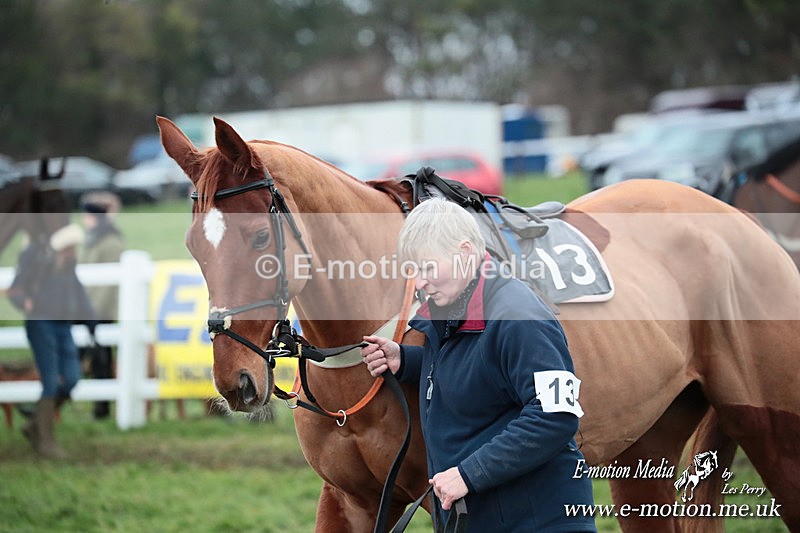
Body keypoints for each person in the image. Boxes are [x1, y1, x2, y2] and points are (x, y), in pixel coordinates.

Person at [361, 198, 596, 532]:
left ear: (466, 252)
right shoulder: (452, 305)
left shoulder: (520, 318)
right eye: (414, 272)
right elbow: (481, 371)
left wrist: (469, 474)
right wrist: (409, 361)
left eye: (428, 268)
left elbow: (557, 416)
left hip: (538, 520)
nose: (421, 283)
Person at [8, 223, 96, 458]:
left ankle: (35, 423)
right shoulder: (38, 262)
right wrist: (25, 302)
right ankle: (46, 441)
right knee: (50, 379)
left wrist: (90, 321)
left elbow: (78, 294)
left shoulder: (68, 267)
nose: (72, 251)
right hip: (41, 323)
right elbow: (15, 290)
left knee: (71, 378)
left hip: (62, 325)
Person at [79, 192, 124, 419]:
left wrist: (91, 311)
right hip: (85, 308)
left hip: (99, 311)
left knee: (101, 360)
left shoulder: (111, 243)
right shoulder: (90, 240)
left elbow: (106, 286)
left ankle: (101, 408)